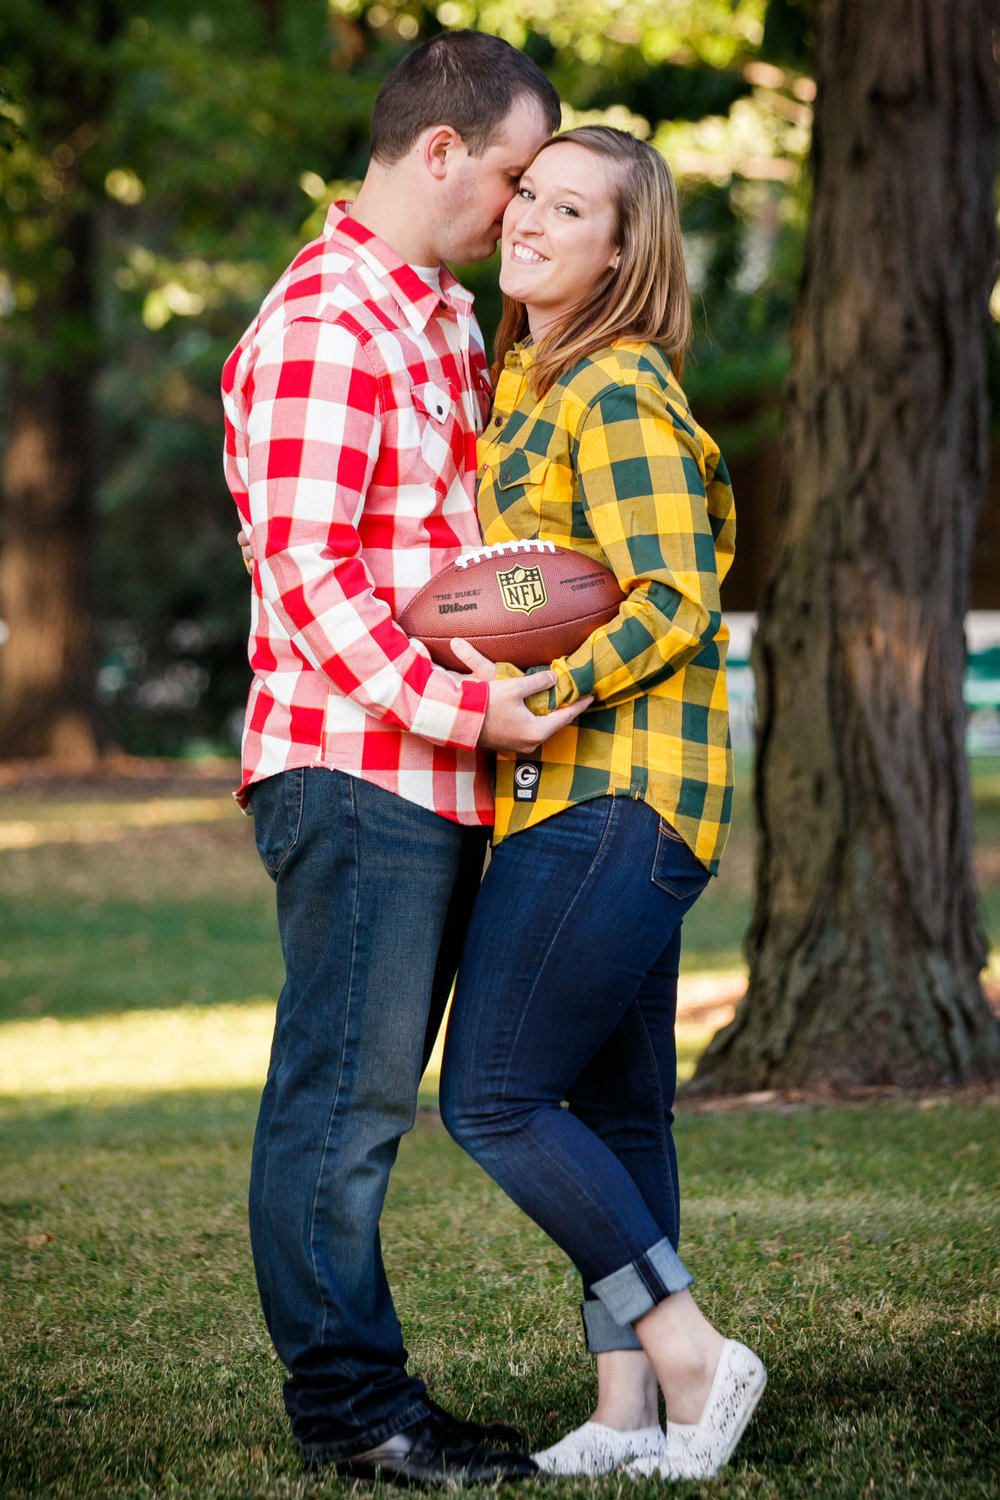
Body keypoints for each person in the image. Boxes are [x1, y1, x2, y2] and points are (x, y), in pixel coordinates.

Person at [220, 32, 586, 1484]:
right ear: (442, 154)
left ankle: (365, 1395)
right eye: (512, 177)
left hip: (441, 773)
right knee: (343, 1102)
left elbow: (458, 556)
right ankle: (353, 1413)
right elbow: (309, 585)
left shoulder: (433, 314)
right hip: (357, 771)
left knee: (375, 1097)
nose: (520, 211)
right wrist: (466, 715)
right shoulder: (325, 323)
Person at [438, 125, 767, 1483]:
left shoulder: (615, 387)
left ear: (621, 250)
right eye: (529, 196)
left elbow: (679, 596)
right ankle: (632, 1414)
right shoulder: (536, 382)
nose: (528, 222)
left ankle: (694, 1353)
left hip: (615, 790)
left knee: (496, 1096)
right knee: (621, 1113)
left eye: (568, 209)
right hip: (589, 797)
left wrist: (560, 691)